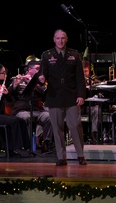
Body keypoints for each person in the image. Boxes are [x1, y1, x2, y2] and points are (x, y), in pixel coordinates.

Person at [36, 29, 87, 166]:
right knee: (57, 128)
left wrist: (81, 95)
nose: (60, 41)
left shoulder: (74, 54)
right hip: (55, 96)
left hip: (71, 96)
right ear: (54, 39)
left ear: (67, 39)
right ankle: (61, 157)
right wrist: (41, 78)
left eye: (63, 38)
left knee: (75, 125)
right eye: (58, 38)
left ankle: (80, 155)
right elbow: (42, 75)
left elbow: (80, 78)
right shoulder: (47, 55)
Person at [10, 58, 52, 152]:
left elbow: (45, 95)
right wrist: (14, 85)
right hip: (21, 110)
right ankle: (26, 144)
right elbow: (9, 95)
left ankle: (46, 142)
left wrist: (33, 84)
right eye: (37, 69)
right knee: (25, 117)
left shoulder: (40, 83)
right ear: (29, 70)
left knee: (49, 116)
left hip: (37, 109)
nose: (39, 71)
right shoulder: (19, 80)